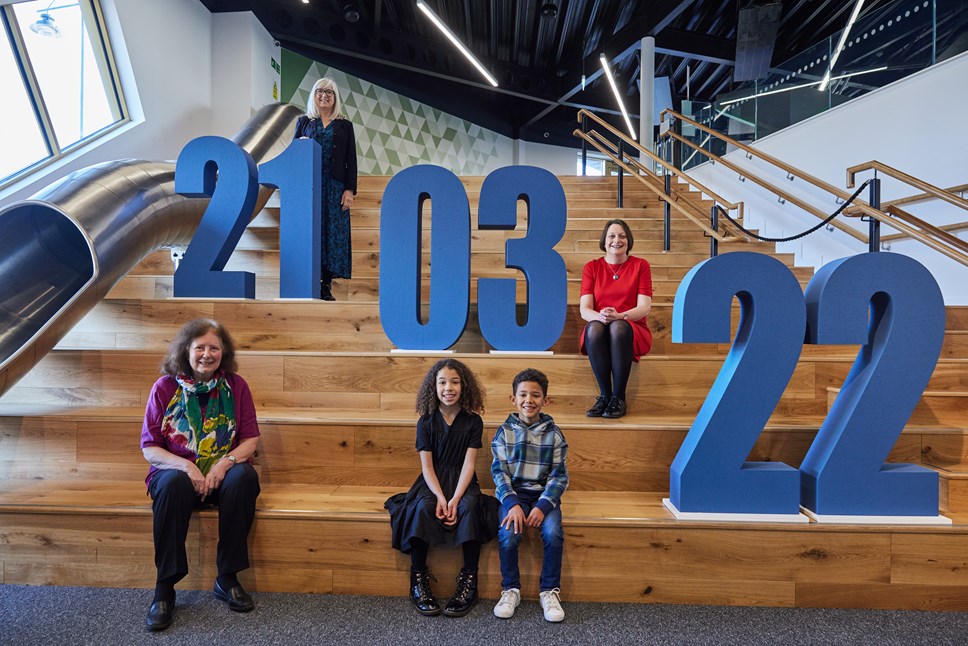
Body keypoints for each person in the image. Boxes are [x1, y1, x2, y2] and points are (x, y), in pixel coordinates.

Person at [140, 319, 261, 631]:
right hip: (177, 477)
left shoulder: (236, 386)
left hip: (222, 477)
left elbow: (250, 439)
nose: (207, 354)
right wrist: (188, 466)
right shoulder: (164, 387)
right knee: (171, 484)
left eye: (214, 348)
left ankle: (227, 578)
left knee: (244, 477)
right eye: (200, 347)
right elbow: (150, 448)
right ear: (186, 351)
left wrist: (224, 463)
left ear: (224, 352)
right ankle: (164, 588)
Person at [385, 359, 498, 617]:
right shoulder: (425, 422)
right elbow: (427, 467)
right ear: (433, 387)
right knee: (423, 507)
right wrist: (439, 497)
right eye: (442, 382)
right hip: (432, 481)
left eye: (455, 382)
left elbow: (469, 465)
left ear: (464, 386)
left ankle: (469, 581)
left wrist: (455, 499)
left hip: (462, 481)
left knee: (470, 506)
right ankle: (418, 580)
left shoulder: (473, 422)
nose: (449, 387)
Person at [491, 368, 569, 623]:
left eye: (535, 395)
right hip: (514, 496)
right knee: (507, 534)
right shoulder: (504, 433)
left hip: (543, 497)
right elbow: (499, 472)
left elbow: (559, 476)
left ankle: (549, 591)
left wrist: (543, 506)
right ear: (513, 399)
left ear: (545, 400)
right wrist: (512, 504)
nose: (529, 400)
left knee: (552, 532)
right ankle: (510, 589)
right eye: (523, 394)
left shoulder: (554, 435)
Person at [578, 218, 653, 419]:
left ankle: (619, 397)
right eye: (612, 236)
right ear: (604, 240)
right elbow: (585, 310)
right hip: (601, 326)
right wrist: (603, 317)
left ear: (628, 240)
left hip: (632, 329)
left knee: (618, 327)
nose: (616, 240)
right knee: (593, 328)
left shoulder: (640, 265)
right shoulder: (592, 267)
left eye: (622, 236)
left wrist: (619, 316)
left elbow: (645, 307)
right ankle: (605, 396)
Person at [293, 77, 358, 301]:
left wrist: (349, 190)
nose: (324, 95)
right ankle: (311, 280)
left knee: (333, 236)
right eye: (320, 91)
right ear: (314, 95)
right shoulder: (303, 123)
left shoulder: (345, 126)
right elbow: (294, 156)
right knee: (313, 233)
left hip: (335, 189)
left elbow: (351, 160)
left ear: (335, 97)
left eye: (329, 92)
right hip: (310, 188)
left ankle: (325, 284)